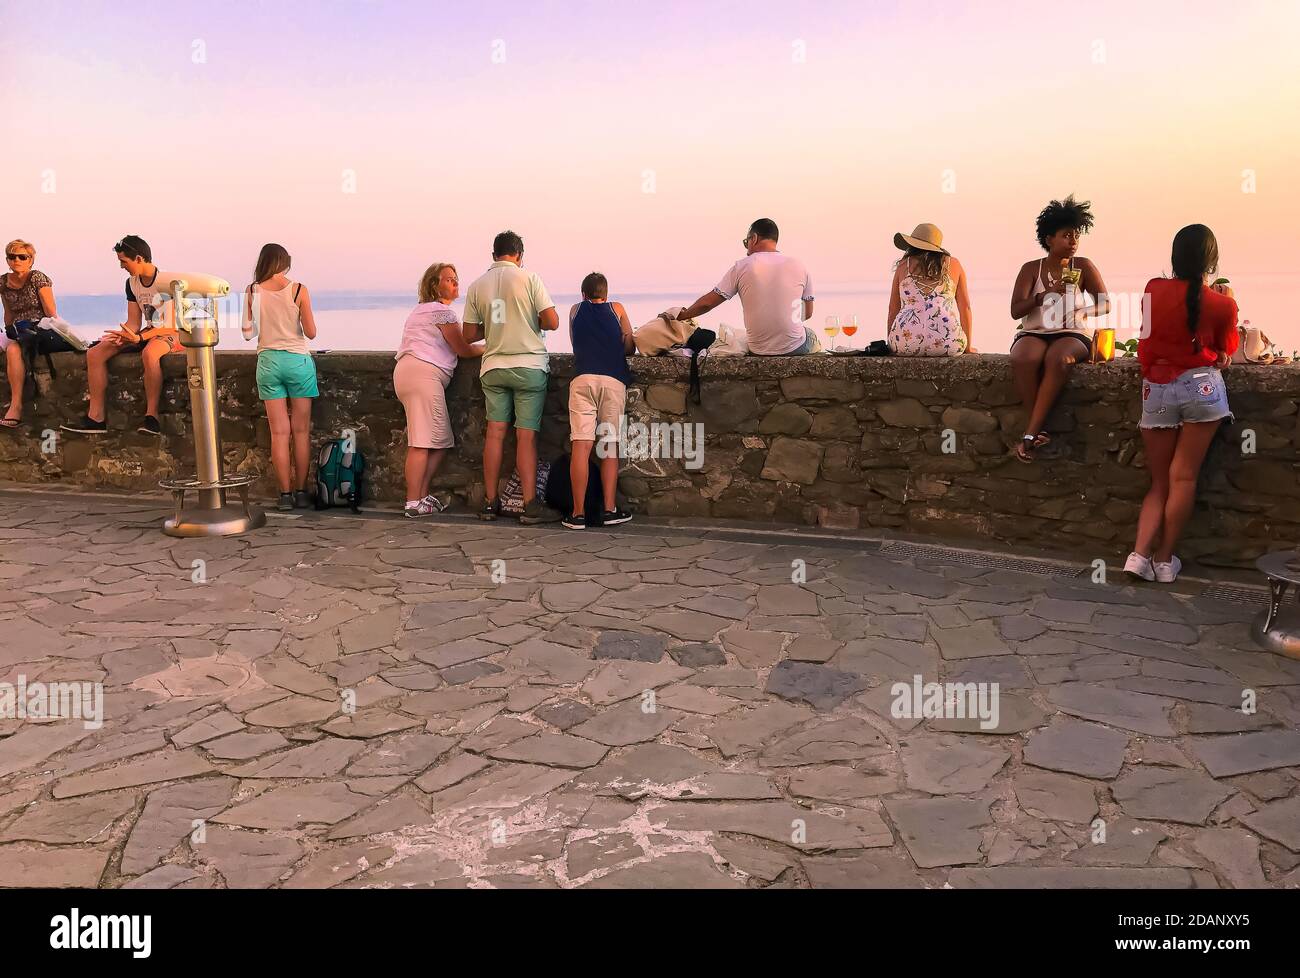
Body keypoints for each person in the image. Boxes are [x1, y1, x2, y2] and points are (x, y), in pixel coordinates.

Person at [1124, 225, 1238, 584]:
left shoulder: (1153, 289)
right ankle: (1164, 560)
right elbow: (1226, 350)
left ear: (1175, 257)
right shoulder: (1223, 304)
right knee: (1183, 477)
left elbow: (1147, 334)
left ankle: (1138, 556)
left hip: (1157, 388)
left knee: (1158, 482)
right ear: (1211, 260)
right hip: (1201, 389)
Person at [461, 230, 563, 523]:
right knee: (526, 437)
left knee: (494, 434)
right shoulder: (529, 278)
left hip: (493, 367)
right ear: (519, 255)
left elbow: (469, 335)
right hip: (529, 367)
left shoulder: (477, 285)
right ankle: (530, 505)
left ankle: (490, 503)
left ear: (493, 255)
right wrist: (527, 319)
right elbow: (552, 322)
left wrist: (496, 327)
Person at [1008, 197, 1110, 462]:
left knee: (1059, 359)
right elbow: (1016, 311)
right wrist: (1044, 297)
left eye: (1076, 235)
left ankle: (1030, 433)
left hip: (1073, 332)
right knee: (1023, 357)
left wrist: (1081, 311)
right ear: (1049, 238)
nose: (1073, 241)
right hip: (1037, 331)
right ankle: (1039, 429)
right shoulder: (1031, 269)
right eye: (1066, 236)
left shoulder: (1083, 266)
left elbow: (1104, 304)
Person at [62, 235, 181, 435]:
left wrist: (140, 338)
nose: (121, 266)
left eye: (123, 262)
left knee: (150, 354)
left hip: (173, 332)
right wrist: (123, 335)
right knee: (95, 353)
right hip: (148, 331)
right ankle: (96, 417)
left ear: (139, 259)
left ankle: (152, 417)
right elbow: (134, 322)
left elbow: (169, 325)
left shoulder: (166, 282)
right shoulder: (131, 283)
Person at [394, 262, 483, 518]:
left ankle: (421, 497)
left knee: (439, 441)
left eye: (456, 279)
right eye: (448, 279)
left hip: (407, 373)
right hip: (423, 375)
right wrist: (489, 348)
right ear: (434, 285)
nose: (455, 283)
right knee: (422, 443)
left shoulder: (419, 311)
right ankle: (413, 501)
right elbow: (463, 348)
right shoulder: (442, 313)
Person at [242, 244, 319, 511]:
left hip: (268, 362)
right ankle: (301, 492)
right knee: (300, 432)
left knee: (278, 433)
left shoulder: (252, 290)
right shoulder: (299, 289)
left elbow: (247, 333)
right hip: (297, 361)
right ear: (284, 262)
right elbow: (311, 332)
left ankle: (284, 495)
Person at [678, 218, 817, 355]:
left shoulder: (741, 266)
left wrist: (682, 315)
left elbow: (707, 304)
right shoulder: (799, 265)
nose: (747, 249)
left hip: (758, 349)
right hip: (794, 347)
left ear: (754, 238)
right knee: (811, 335)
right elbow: (808, 313)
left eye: (747, 242)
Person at [563, 272, 634, 530]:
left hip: (582, 379)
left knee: (581, 447)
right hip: (612, 381)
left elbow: (575, 344)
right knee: (609, 447)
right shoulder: (617, 308)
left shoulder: (574, 310)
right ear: (606, 293)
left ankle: (578, 514)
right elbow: (629, 344)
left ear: (583, 294)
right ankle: (608, 510)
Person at [886, 223, 974, 356]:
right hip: (949, 343)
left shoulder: (903, 266)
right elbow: (965, 307)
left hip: (905, 343)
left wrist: (891, 344)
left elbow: (893, 309)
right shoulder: (954, 264)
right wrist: (968, 347)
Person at [1, 239, 58, 428]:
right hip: (17, 329)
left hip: (38, 327)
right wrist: (8, 330)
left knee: (13, 350)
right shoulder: (3, 282)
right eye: (12, 256)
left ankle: (16, 406)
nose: (16, 260)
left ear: (30, 260)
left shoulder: (37, 278)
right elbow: (8, 313)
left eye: (22, 257)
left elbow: (51, 312)